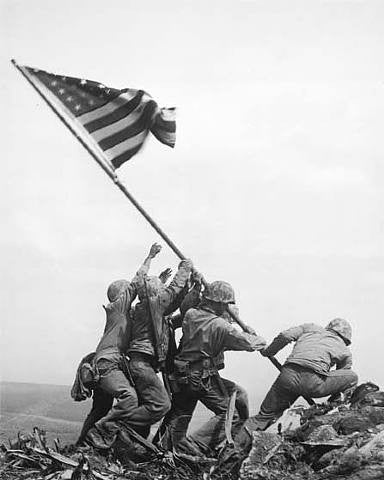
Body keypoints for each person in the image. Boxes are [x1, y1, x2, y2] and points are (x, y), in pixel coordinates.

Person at [158, 280, 267, 455]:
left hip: (181, 373)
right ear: (218, 303)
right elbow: (248, 344)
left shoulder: (191, 315)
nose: (226, 308)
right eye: (225, 304)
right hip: (200, 376)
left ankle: (163, 448)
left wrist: (197, 287)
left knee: (180, 414)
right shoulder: (221, 326)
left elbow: (189, 306)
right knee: (232, 413)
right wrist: (256, 336)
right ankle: (196, 446)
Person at [233, 318, 358, 454]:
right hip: (314, 384)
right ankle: (334, 406)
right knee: (352, 377)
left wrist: (269, 352)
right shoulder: (345, 351)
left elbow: (285, 336)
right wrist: (332, 400)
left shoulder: (310, 327)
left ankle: (233, 449)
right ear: (345, 338)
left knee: (263, 416)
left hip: (287, 376)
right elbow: (343, 374)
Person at [84, 243, 162, 449]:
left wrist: (159, 283)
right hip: (107, 364)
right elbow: (137, 281)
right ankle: (102, 431)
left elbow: (147, 299)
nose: (132, 293)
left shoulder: (124, 314)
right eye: (128, 291)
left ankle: (83, 444)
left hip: (111, 364)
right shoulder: (118, 308)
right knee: (129, 398)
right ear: (121, 294)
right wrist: (150, 256)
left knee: (100, 408)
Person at [124, 257, 193, 438]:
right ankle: (116, 422)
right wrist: (185, 267)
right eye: (160, 290)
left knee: (145, 406)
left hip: (140, 364)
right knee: (162, 405)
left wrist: (188, 286)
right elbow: (174, 289)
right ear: (156, 293)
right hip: (142, 365)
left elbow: (174, 300)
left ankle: (131, 445)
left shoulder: (143, 307)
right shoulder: (154, 305)